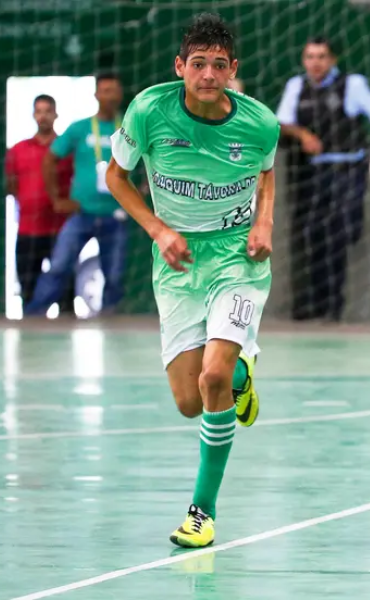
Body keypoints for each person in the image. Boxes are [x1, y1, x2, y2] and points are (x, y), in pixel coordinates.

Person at [106, 12, 279, 548]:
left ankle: (201, 513)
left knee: (211, 379)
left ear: (233, 71)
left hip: (237, 262)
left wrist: (264, 221)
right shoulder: (147, 112)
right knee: (189, 400)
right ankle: (241, 380)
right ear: (180, 66)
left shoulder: (259, 122)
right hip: (177, 262)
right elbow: (116, 176)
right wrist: (158, 229)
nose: (208, 73)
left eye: (219, 65)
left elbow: (266, 173)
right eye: (198, 63)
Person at [276, 36, 370, 321]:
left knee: (342, 232)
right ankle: (317, 306)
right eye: (310, 57)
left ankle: (333, 304)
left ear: (332, 60)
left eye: (321, 56)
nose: (315, 63)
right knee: (314, 237)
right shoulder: (296, 87)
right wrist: (303, 134)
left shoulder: (352, 85)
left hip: (348, 170)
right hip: (312, 174)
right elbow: (282, 122)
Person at [26, 73, 128, 316]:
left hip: (117, 214)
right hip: (81, 213)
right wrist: (56, 198)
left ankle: (110, 320)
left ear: (120, 94)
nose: (109, 96)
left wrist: (144, 185)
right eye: (104, 90)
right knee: (59, 266)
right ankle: (33, 317)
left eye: (113, 90)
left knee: (114, 275)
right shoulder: (79, 128)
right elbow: (50, 160)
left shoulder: (128, 126)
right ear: (96, 95)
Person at [4, 94, 74, 314]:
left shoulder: (66, 149)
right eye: (39, 111)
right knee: (28, 292)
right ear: (34, 115)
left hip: (60, 231)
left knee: (65, 295)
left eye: (47, 111)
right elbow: (12, 185)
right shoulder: (17, 150)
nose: (43, 116)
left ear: (55, 115)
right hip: (27, 231)